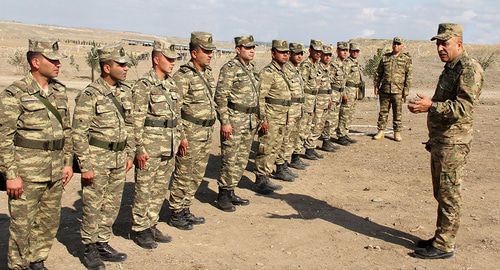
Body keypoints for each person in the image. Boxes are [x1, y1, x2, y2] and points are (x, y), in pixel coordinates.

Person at [408, 23, 483, 259]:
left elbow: (464, 108)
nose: (440, 48)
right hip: (442, 140)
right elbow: (445, 103)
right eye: (438, 43)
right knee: (441, 191)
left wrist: (431, 105)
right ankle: (441, 236)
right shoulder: (450, 67)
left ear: (459, 43)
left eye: (445, 43)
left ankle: (445, 245)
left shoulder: (469, 69)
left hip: (454, 142)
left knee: (450, 192)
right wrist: (430, 107)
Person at [0, 39, 73, 270]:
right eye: (52, 60)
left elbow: (67, 131)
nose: (58, 64)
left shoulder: (59, 92)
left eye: (58, 59)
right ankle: (17, 266)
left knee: (49, 221)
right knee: (22, 226)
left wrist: (68, 162)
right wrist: (11, 174)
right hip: (27, 173)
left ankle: (37, 260)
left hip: (54, 170)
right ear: (35, 62)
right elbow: (4, 138)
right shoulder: (15, 93)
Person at [73, 43, 134, 269]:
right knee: (93, 204)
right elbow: (79, 132)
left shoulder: (125, 91)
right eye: (121, 64)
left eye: (126, 64)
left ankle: (102, 242)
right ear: (106, 67)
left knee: (112, 203)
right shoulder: (90, 94)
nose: (126, 67)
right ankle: (89, 247)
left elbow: (131, 124)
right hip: (97, 158)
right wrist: (85, 164)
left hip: (119, 158)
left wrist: (130, 152)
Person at [130, 40, 180, 248]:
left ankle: (151, 223)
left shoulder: (171, 84)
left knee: (160, 188)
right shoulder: (144, 85)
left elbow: (176, 115)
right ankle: (139, 228)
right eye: (168, 59)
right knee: (144, 187)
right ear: (156, 59)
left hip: (169, 144)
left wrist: (180, 137)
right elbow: (136, 120)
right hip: (150, 147)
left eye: (174, 60)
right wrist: (139, 148)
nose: (172, 63)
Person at [167, 32, 217, 229]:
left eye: (211, 51)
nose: (210, 55)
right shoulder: (183, 76)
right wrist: (181, 136)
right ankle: (176, 212)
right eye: (206, 51)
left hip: (204, 133)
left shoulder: (207, 73)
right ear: (194, 53)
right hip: (190, 132)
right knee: (184, 173)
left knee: (197, 173)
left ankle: (186, 207)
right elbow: (175, 110)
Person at [214, 35, 258, 212]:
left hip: (249, 120)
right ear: (238, 49)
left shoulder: (252, 68)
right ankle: (223, 194)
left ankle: (231, 189)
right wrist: (225, 121)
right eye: (247, 48)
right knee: (230, 158)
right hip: (234, 119)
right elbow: (220, 96)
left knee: (241, 158)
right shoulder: (230, 68)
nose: (252, 51)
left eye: (253, 48)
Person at [254, 39, 292, 193]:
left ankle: (267, 176)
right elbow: (260, 98)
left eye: (286, 52)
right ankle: (261, 180)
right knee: (266, 148)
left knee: (275, 147)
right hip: (271, 118)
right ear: (273, 53)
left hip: (281, 117)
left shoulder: (283, 71)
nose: (285, 55)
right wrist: (262, 119)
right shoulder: (267, 73)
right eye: (281, 52)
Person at [373, 37, 412, 142]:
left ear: (402, 46)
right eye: (394, 44)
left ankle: (397, 132)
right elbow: (378, 73)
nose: (396, 46)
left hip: (398, 91)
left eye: (398, 44)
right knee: (383, 112)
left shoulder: (406, 59)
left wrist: (406, 89)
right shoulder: (385, 58)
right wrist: (376, 86)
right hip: (385, 89)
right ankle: (381, 131)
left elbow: (408, 75)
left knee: (397, 112)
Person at [280, 43, 306, 171]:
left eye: (301, 53)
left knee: (294, 137)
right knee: (286, 137)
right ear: (290, 54)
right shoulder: (285, 69)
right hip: (289, 109)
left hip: (298, 108)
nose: (299, 56)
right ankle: (282, 165)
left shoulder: (297, 69)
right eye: (296, 53)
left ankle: (288, 161)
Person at [300, 39, 324, 160]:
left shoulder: (316, 66)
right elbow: (301, 86)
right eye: (316, 51)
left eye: (320, 51)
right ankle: (296, 156)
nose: (318, 53)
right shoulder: (306, 65)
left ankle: (310, 148)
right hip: (306, 101)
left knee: (312, 125)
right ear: (310, 50)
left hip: (314, 100)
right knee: (303, 127)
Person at [325, 41, 351, 146]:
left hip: (340, 94)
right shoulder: (333, 64)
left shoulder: (344, 64)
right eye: (342, 50)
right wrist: (329, 96)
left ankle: (338, 136)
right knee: (331, 118)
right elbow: (328, 82)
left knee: (337, 118)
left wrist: (344, 93)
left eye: (346, 50)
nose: (345, 52)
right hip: (334, 94)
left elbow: (343, 82)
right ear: (337, 51)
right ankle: (326, 140)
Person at [337, 42, 364, 143]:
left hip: (355, 91)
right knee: (344, 113)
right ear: (350, 51)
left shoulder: (355, 62)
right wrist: (343, 93)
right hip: (348, 90)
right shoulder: (347, 63)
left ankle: (345, 133)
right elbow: (343, 79)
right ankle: (341, 135)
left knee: (350, 114)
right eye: (353, 51)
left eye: (357, 51)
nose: (355, 53)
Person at [311, 44, 336, 152]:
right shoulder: (317, 67)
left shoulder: (328, 68)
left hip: (326, 100)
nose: (327, 57)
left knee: (323, 124)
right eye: (325, 55)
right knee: (315, 125)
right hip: (318, 101)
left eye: (329, 55)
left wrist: (330, 98)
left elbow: (328, 86)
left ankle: (317, 146)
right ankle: (310, 148)